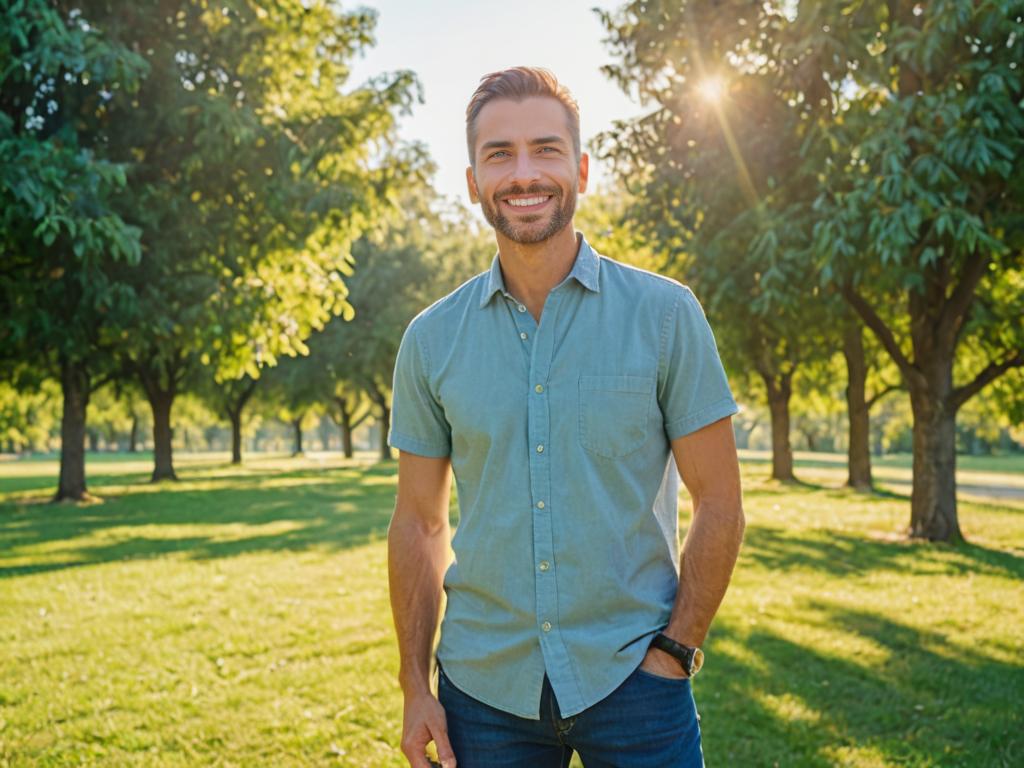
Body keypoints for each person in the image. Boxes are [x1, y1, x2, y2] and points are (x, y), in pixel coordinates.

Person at [386, 66, 745, 768]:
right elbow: (418, 522)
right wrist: (412, 684)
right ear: (472, 182)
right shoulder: (431, 339)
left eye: (545, 150)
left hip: (637, 683)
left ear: (579, 169)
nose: (525, 174)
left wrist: (677, 650)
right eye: (500, 155)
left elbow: (721, 502)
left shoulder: (666, 315)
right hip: (482, 695)